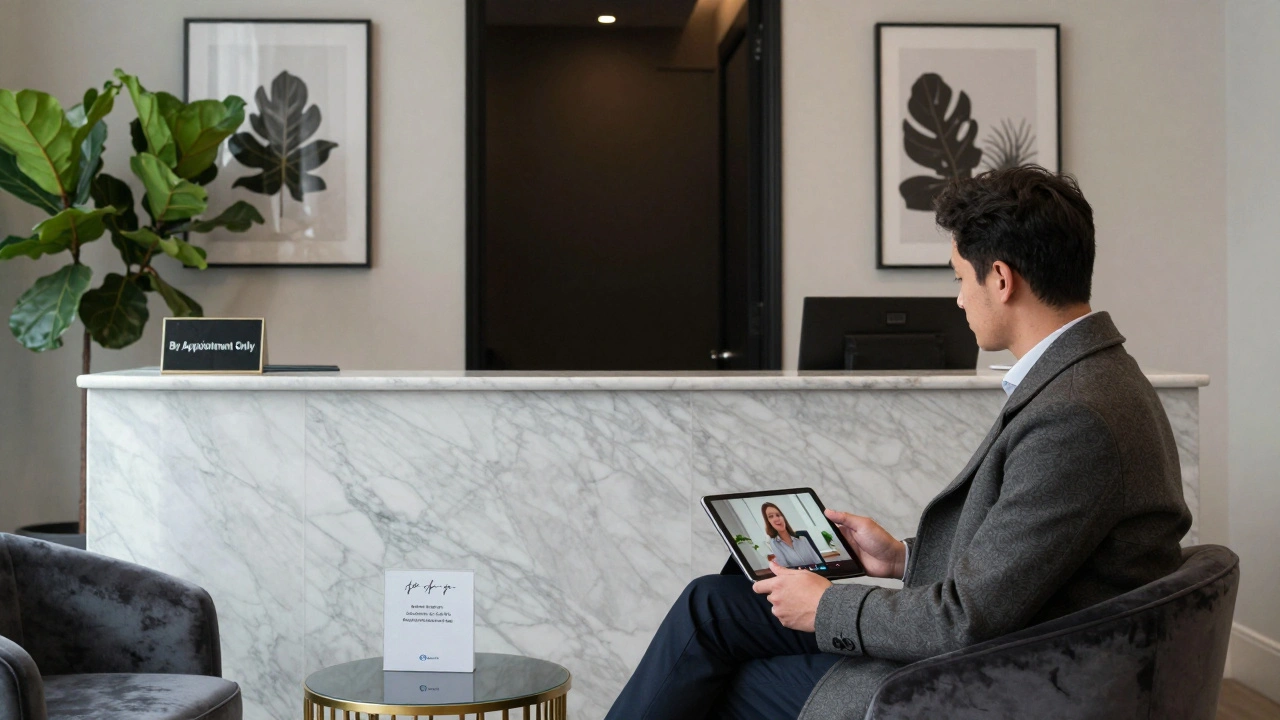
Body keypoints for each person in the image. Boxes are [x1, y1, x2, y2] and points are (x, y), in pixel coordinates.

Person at [603, 166, 1192, 720]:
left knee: (730, 680)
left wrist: (825, 606)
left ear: (1002, 279)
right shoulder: (1093, 379)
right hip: (1010, 648)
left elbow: (965, 619)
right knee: (711, 605)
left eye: (961, 278)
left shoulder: (1076, 416)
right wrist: (901, 559)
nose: (959, 299)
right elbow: (1017, 570)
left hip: (998, 679)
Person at [761, 502, 823, 568]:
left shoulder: (802, 538)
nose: (776, 519)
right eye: (771, 516)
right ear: (768, 522)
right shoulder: (774, 543)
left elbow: (818, 561)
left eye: (778, 515)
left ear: (783, 518)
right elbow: (785, 568)